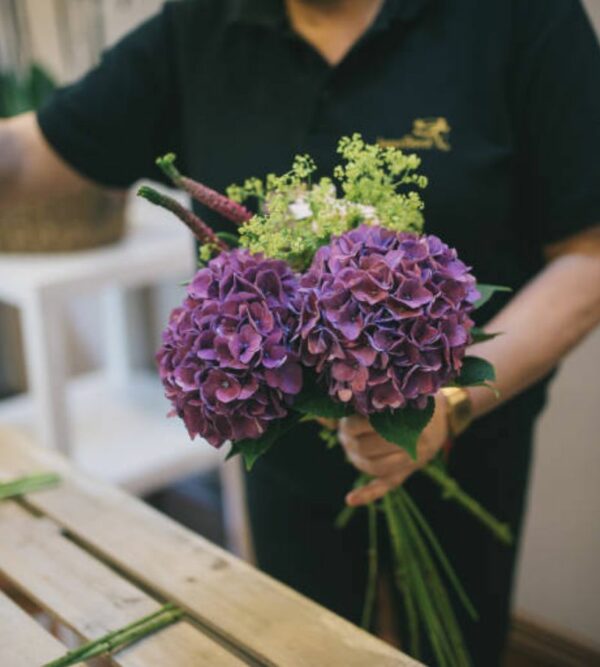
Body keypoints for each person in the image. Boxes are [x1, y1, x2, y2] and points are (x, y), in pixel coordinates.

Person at [1, 0, 600, 664]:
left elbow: (589, 256)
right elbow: (28, 155)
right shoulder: (203, 23)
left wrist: (449, 405)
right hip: (285, 463)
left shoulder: (523, 17)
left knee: (454, 644)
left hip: (468, 443)